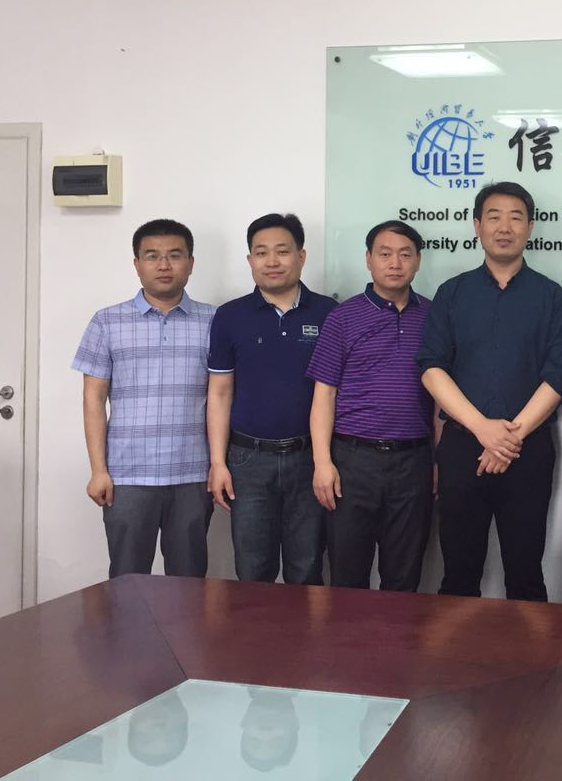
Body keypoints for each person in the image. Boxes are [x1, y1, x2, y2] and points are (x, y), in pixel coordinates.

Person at [416, 182, 562, 602]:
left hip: (528, 450)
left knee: (525, 575)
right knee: (458, 576)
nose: (505, 227)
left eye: (516, 217)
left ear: (530, 227)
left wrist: (508, 438)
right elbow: (431, 368)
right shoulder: (452, 293)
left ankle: (530, 651)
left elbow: (558, 376)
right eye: (494, 217)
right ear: (476, 225)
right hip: (461, 448)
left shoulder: (551, 297)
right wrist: (481, 428)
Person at [72, 219, 215, 578]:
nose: (164, 265)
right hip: (127, 475)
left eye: (174, 256)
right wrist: (99, 470)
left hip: (193, 473)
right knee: (127, 580)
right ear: (137, 264)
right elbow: (93, 400)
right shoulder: (107, 322)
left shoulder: (215, 321)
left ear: (190, 263)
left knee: (188, 581)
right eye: (152, 256)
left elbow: (224, 397)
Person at [206, 212, 336, 585]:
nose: (272, 261)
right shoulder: (230, 316)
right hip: (248, 460)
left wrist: (325, 460)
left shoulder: (329, 313)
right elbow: (219, 392)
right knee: (252, 569)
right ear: (250, 260)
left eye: (282, 250)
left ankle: (305, 628)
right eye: (261, 253)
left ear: (301, 256)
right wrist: (218, 462)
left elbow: (334, 392)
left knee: (307, 567)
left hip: (309, 458)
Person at [306, 220, 434, 591]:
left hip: (413, 461)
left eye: (405, 254)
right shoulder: (342, 318)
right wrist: (322, 463)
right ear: (368, 259)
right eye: (385, 254)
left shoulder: (433, 316)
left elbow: (441, 399)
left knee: (404, 576)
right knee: (348, 574)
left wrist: (437, 461)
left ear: (417, 261)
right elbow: (324, 395)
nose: (395, 263)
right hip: (353, 462)